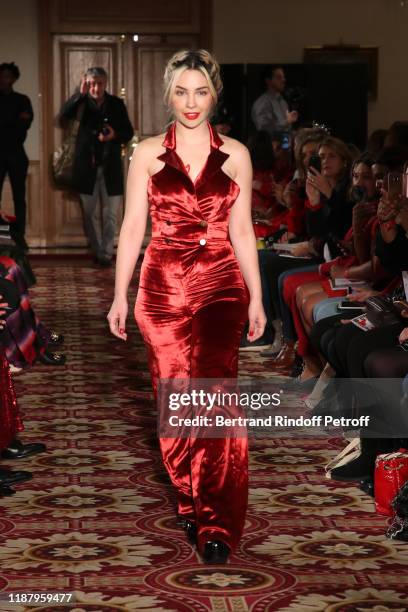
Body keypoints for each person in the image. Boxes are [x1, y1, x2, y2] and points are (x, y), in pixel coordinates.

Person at [107, 49, 266, 564]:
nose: (191, 103)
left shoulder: (237, 153)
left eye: (201, 91)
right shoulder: (147, 153)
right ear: (168, 94)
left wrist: (258, 297)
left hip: (222, 281)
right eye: (181, 91)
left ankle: (217, 522)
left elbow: (242, 230)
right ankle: (190, 496)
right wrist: (118, 293)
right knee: (175, 398)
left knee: (215, 392)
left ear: (215, 93)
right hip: (162, 285)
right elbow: (133, 226)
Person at [60, 67, 134, 267]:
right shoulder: (81, 103)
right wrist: (80, 95)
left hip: (111, 168)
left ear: (105, 83)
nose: (96, 87)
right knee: (90, 214)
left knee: (110, 214)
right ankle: (99, 249)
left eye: (99, 83)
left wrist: (114, 135)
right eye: (91, 83)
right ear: (87, 83)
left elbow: (128, 132)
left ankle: (106, 253)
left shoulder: (116, 104)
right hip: (86, 168)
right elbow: (64, 114)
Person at [0, 62, 33, 251]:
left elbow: (24, 128)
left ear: (13, 79)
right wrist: (15, 120)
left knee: (19, 198)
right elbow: (18, 124)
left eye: (6, 76)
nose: (2, 80)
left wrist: (8, 123)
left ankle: (19, 238)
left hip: (17, 154)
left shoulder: (22, 100)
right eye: (1, 75)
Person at [251, 66, 298, 137]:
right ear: (268, 81)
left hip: (284, 145)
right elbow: (264, 129)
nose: (283, 80)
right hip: (269, 147)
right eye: (279, 77)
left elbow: (285, 130)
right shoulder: (263, 102)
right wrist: (287, 122)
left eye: (283, 77)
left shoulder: (283, 102)